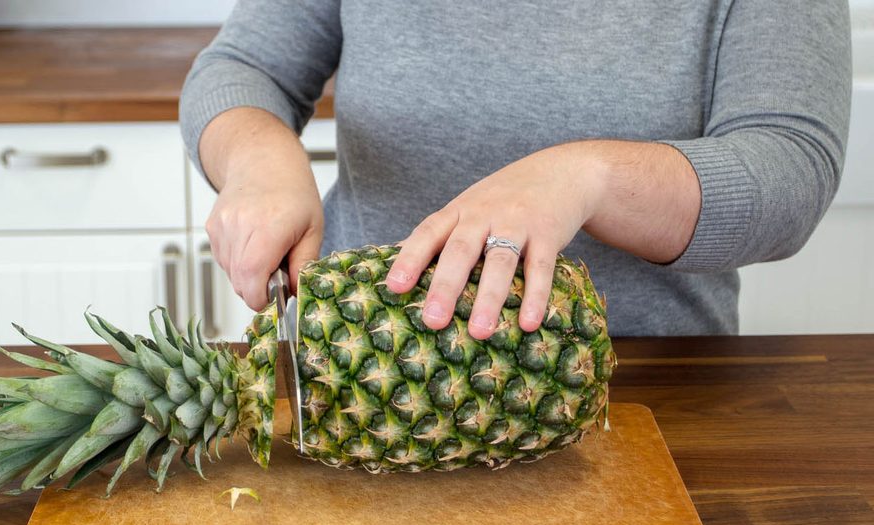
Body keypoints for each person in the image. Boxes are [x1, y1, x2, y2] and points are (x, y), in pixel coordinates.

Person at [180, 0, 851, 337]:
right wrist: (258, 159)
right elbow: (246, 66)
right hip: (359, 371)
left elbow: (789, 165)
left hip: (651, 398)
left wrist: (589, 178)